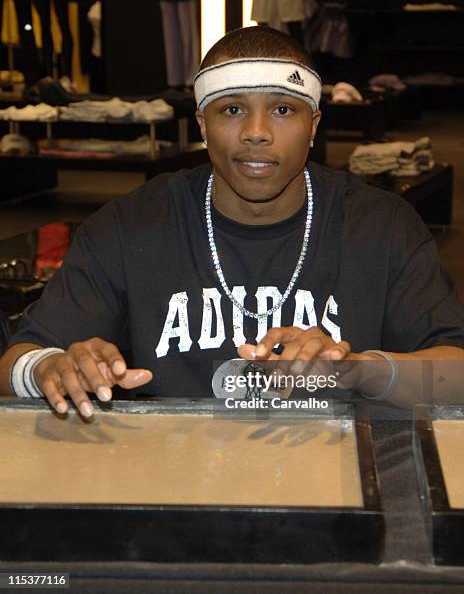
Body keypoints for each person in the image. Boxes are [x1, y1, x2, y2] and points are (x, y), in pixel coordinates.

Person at [1, 26, 464, 417]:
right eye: (232, 110)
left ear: (314, 124)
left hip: (337, 483)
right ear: (202, 125)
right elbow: (12, 366)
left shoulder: (379, 224)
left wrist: (357, 369)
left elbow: (455, 375)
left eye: (283, 110)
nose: (256, 132)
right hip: (174, 496)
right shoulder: (130, 224)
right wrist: (50, 369)